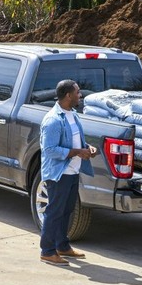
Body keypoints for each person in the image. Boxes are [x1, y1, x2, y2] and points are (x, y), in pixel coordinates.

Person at [39, 79, 98, 266]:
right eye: (77, 92)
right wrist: (77, 152)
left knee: (67, 211)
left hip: (73, 171)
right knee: (54, 212)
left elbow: (75, 141)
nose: (80, 95)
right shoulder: (53, 120)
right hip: (59, 173)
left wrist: (88, 148)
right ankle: (47, 251)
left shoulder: (73, 115)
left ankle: (62, 246)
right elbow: (49, 150)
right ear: (68, 96)